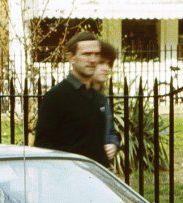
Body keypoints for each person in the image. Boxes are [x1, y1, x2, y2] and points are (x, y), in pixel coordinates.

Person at [34, 31, 108, 165]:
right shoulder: (56, 97)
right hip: (68, 179)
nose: (93, 60)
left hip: (95, 180)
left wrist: (105, 165)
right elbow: (43, 146)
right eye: (86, 54)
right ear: (71, 57)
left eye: (96, 54)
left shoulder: (98, 97)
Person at [94, 40, 121, 167]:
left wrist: (113, 145)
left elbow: (110, 132)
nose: (107, 68)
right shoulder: (77, 97)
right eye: (101, 63)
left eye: (109, 63)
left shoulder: (102, 98)